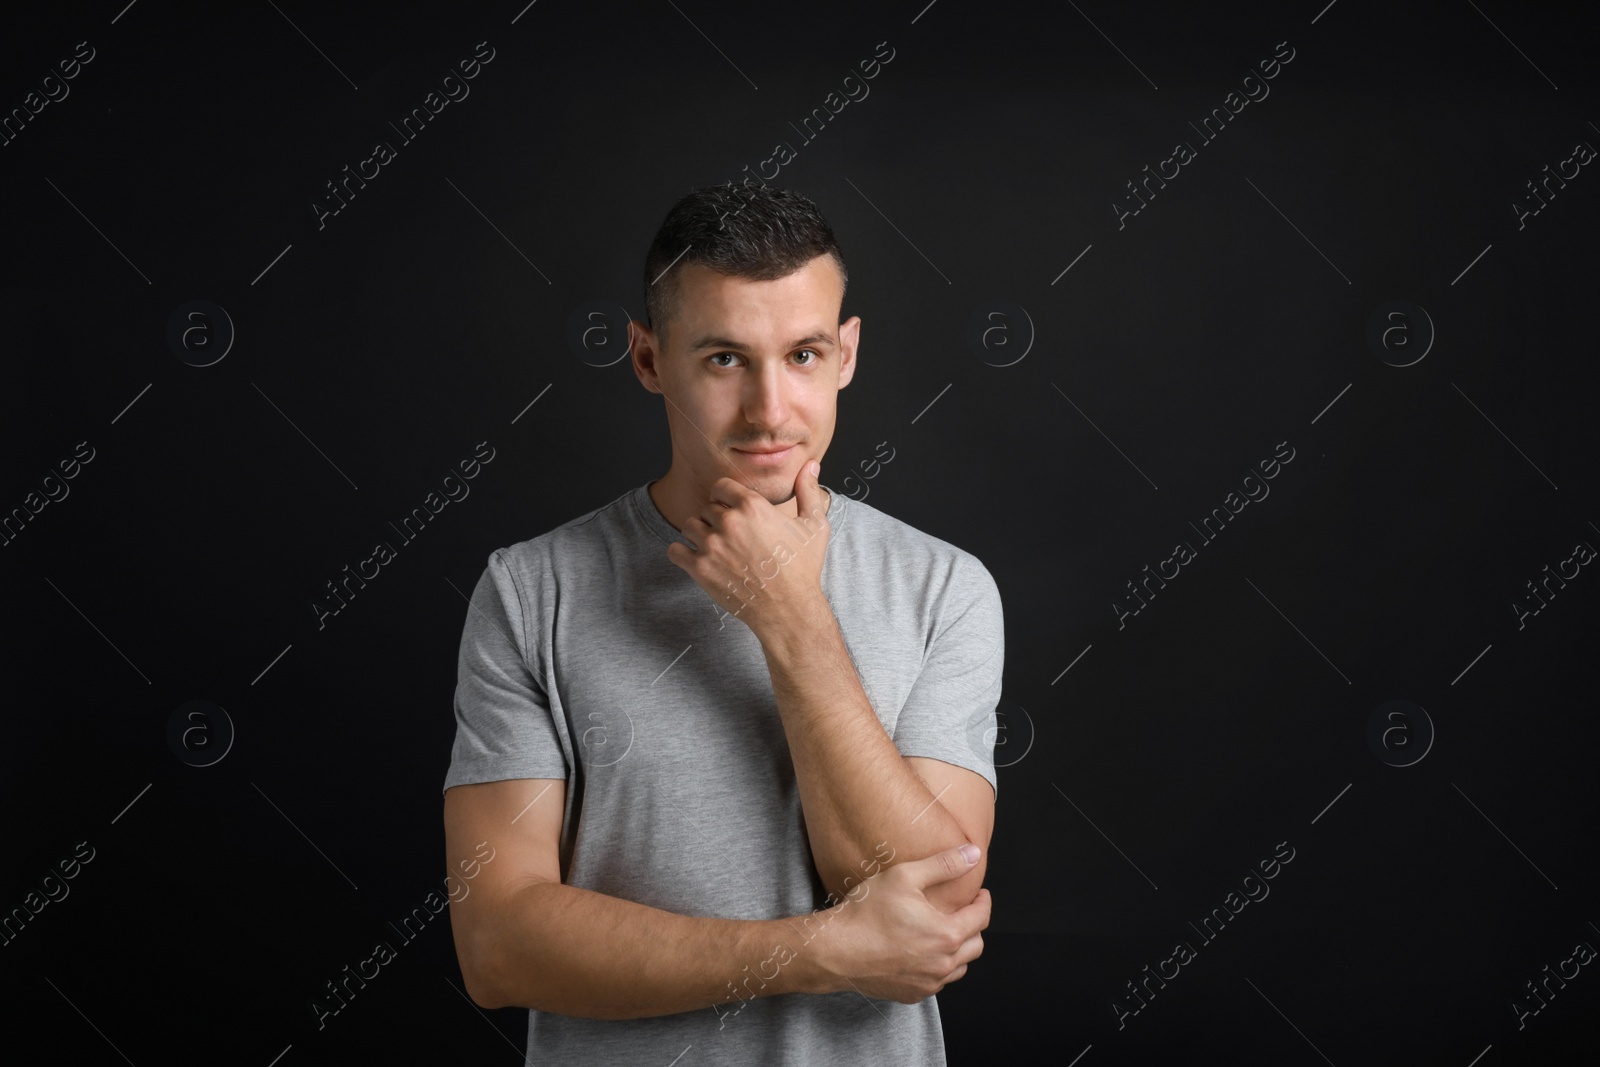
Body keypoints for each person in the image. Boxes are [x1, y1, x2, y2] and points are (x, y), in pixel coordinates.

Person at [441, 182, 1006, 1065]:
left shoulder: (945, 588)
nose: (771, 410)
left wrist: (791, 617)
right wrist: (811, 953)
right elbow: (497, 945)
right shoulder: (530, 590)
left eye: (805, 354)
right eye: (723, 359)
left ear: (849, 352)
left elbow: (931, 918)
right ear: (647, 358)